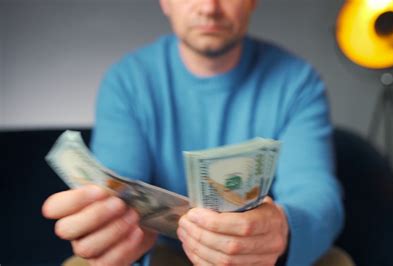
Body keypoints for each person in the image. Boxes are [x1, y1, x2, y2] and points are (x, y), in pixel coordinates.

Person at [42, 0, 345, 265]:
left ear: (253, 0)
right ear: (165, 2)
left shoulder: (298, 82)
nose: (209, 7)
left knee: (336, 261)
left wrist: (282, 230)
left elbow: (315, 191)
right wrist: (112, 229)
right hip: (161, 254)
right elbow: (117, 185)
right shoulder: (127, 81)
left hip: (261, 259)